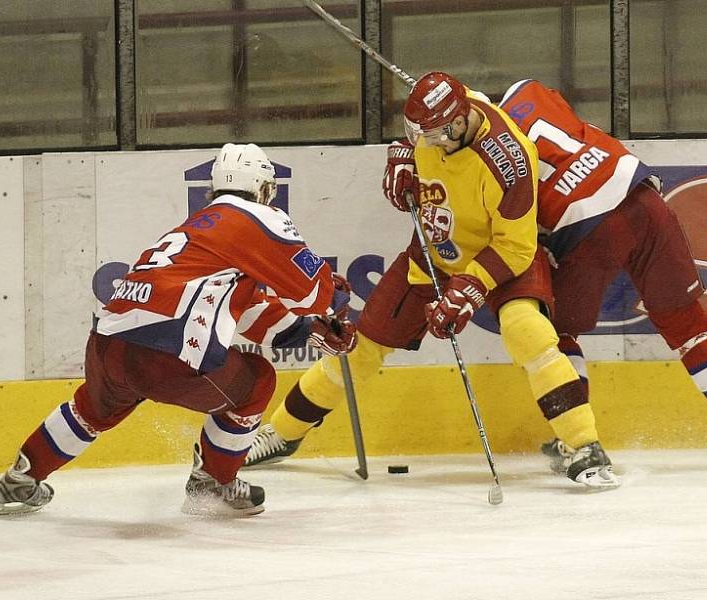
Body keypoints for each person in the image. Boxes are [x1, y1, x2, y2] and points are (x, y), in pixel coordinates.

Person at [243, 72, 620, 489]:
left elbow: (515, 247)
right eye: (420, 135)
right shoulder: (443, 120)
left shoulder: (511, 162)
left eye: (436, 136)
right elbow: (416, 139)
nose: (430, 143)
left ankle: (584, 445)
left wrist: (471, 288)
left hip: (500, 255)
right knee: (359, 345)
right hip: (433, 254)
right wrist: (403, 156)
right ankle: (283, 433)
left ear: (460, 123)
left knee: (527, 332)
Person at [0, 142, 356, 518]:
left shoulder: (198, 231)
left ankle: (21, 478)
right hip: (167, 351)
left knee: (92, 410)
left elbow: (247, 311)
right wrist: (333, 302)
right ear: (263, 188)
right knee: (257, 380)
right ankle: (214, 481)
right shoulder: (259, 216)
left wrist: (307, 330)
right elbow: (313, 291)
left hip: (108, 343)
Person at [495, 79, 707, 469]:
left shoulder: (482, 159)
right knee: (686, 324)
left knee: (554, 334)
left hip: (585, 223)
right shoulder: (525, 90)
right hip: (639, 193)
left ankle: (574, 438)